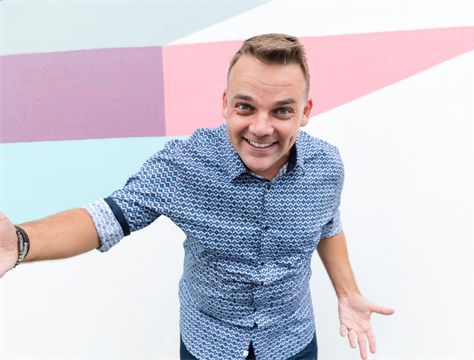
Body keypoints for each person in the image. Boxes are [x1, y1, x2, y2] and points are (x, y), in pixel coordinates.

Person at [0, 33, 394, 360]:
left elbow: (328, 225)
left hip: (292, 341)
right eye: (245, 106)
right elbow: (104, 218)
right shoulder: (183, 164)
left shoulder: (326, 167)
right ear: (224, 104)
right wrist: (20, 242)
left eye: (281, 111)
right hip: (209, 344)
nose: (261, 127)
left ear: (305, 112)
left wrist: (347, 293)